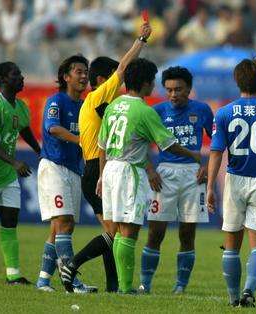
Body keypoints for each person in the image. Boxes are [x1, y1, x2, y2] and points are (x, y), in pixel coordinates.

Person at [59, 23, 152, 294]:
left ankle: (114, 287)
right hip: (97, 170)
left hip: (97, 169)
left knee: (114, 234)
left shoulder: (99, 106)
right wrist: (140, 41)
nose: (119, 81)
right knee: (116, 234)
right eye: (112, 77)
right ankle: (72, 265)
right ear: (102, 80)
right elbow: (123, 69)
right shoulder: (97, 96)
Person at [96, 58, 201, 294]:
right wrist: (194, 156)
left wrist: (102, 176)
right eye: (153, 81)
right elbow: (168, 145)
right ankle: (125, 287)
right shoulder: (144, 111)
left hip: (111, 169)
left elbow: (101, 145)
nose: (155, 87)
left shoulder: (114, 106)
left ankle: (122, 285)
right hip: (129, 171)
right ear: (144, 83)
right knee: (129, 230)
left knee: (119, 231)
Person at [207, 58, 256, 307]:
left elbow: (216, 152)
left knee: (231, 245)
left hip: (235, 179)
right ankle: (248, 292)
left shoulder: (224, 112)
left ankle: (233, 298)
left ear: (236, 80)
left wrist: (210, 187)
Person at [140, 66, 213, 294]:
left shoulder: (202, 110)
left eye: (178, 89)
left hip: (193, 175)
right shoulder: (157, 110)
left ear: (189, 89)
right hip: (164, 175)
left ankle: (180, 286)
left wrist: (208, 166)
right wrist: (150, 170)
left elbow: (218, 142)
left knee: (187, 233)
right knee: (155, 232)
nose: (173, 94)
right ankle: (146, 284)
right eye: (169, 90)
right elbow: (140, 144)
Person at [36, 55, 96, 293]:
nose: (84, 76)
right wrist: (82, 140)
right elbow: (53, 128)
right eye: (79, 72)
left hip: (73, 170)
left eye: (86, 72)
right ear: (66, 76)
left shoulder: (83, 107)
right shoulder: (56, 101)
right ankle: (72, 281)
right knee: (64, 223)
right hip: (54, 167)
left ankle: (43, 280)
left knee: (60, 227)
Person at [0, 61, 41, 285]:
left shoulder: (21, 106)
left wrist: (39, 150)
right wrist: (15, 162)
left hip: (8, 177)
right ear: (3, 79)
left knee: (10, 220)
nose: (21, 77)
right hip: (3, 169)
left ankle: (13, 274)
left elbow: (24, 129)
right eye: (16, 74)